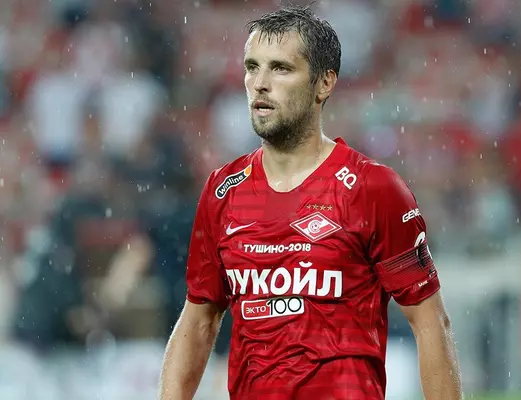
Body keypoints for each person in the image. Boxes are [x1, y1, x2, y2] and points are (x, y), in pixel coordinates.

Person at [159, 5, 462, 400]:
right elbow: (199, 321)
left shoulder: (373, 188)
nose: (260, 83)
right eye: (252, 67)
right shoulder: (223, 191)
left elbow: (430, 322)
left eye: (281, 69)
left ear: (324, 83)